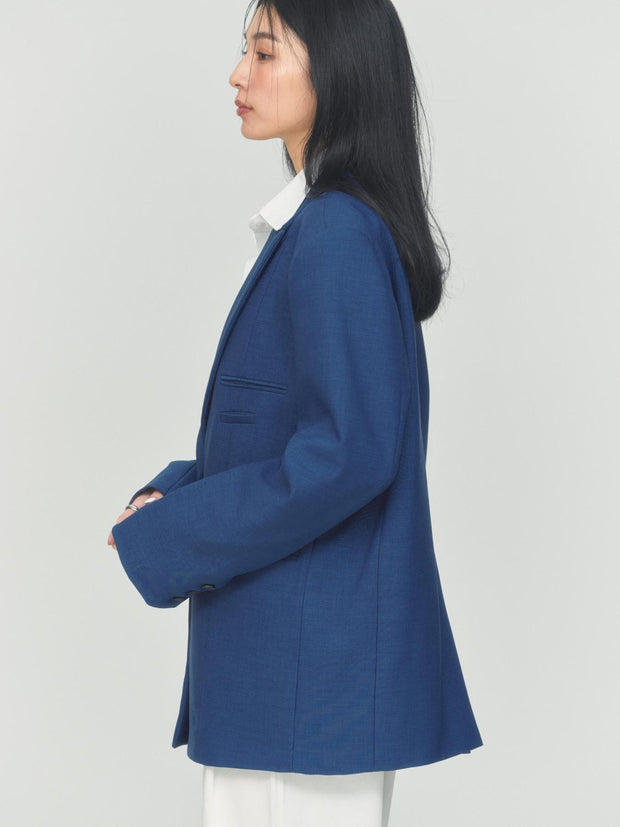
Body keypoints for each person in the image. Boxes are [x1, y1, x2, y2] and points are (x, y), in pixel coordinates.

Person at [108, 0, 484, 824]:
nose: (237, 74)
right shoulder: (327, 227)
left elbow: (348, 454)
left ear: (337, 70)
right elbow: (305, 438)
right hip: (292, 684)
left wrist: (176, 534)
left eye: (265, 52)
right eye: (244, 51)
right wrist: (177, 491)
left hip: (307, 689)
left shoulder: (335, 233)